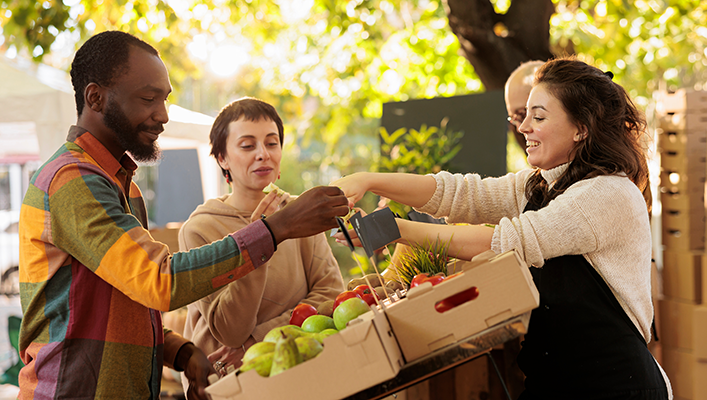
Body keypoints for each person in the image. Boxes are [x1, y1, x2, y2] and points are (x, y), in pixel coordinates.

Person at [17, 31, 348, 400]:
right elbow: (159, 280)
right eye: (148, 99)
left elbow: (127, 296)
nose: (163, 115)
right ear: (95, 97)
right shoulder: (71, 180)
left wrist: (180, 351)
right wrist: (274, 230)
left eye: (165, 99)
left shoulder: (122, 185)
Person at [332, 57, 672, 400]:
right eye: (523, 115)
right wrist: (369, 180)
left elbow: (505, 241)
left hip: (615, 385)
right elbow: (461, 194)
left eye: (538, 117)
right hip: (556, 381)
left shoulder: (607, 193)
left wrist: (393, 228)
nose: (523, 127)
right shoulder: (540, 185)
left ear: (581, 128)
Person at [178, 97, 345, 386]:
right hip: (230, 383)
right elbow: (230, 332)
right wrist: (258, 241)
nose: (263, 154)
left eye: (271, 143)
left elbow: (331, 293)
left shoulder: (300, 213)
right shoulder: (200, 229)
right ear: (222, 158)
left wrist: (258, 340)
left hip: (301, 370)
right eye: (247, 145)